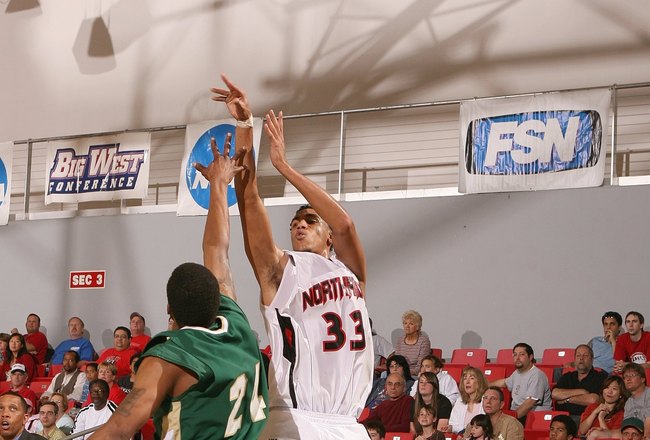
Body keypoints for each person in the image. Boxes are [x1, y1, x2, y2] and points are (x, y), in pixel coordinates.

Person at [215, 75, 373, 439]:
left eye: (309, 220)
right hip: (297, 416)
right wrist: (244, 127)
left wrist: (286, 168)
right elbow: (249, 198)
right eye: (295, 222)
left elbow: (346, 225)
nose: (299, 225)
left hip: (349, 423)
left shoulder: (351, 272)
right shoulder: (280, 269)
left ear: (328, 235)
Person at [89, 133, 268, 439]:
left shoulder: (170, 356)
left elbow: (119, 429)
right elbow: (217, 250)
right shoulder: (236, 326)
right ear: (217, 298)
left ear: (169, 309)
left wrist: (218, 183)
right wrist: (218, 185)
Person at [490, 343, 552, 422]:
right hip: (517, 414)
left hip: (532, 417)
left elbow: (529, 403)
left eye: (521, 354)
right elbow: (504, 382)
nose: (517, 358)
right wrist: (486, 385)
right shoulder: (517, 373)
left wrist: (510, 420)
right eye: (515, 355)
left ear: (530, 357)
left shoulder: (537, 375)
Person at [552, 344, 608, 421]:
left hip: (587, 418)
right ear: (574, 360)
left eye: (585, 356)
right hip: (562, 417)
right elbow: (555, 393)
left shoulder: (600, 377)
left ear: (592, 360)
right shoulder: (567, 377)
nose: (581, 358)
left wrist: (567, 399)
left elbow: (594, 400)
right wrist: (582, 391)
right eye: (578, 356)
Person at [448, 366, 488, 433]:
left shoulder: (486, 400)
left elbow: (484, 425)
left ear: (479, 382)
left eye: (472, 378)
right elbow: (453, 424)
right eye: (465, 378)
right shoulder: (459, 401)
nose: (467, 382)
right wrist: (451, 428)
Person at [394, 310, 432, 376]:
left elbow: (421, 367)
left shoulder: (423, 341)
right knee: (384, 374)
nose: (407, 326)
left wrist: (404, 372)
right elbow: (396, 362)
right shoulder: (400, 340)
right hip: (399, 373)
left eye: (411, 324)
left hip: (413, 375)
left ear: (417, 327)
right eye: (405, 323)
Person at [622, 363, 650, 435]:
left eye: (632, 375)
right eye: (625, 376)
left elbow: (648, 421)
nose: (628, 379)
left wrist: (646, 437)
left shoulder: (648, 394)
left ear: (642, 379)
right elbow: (626, 427)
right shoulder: (628, 402)